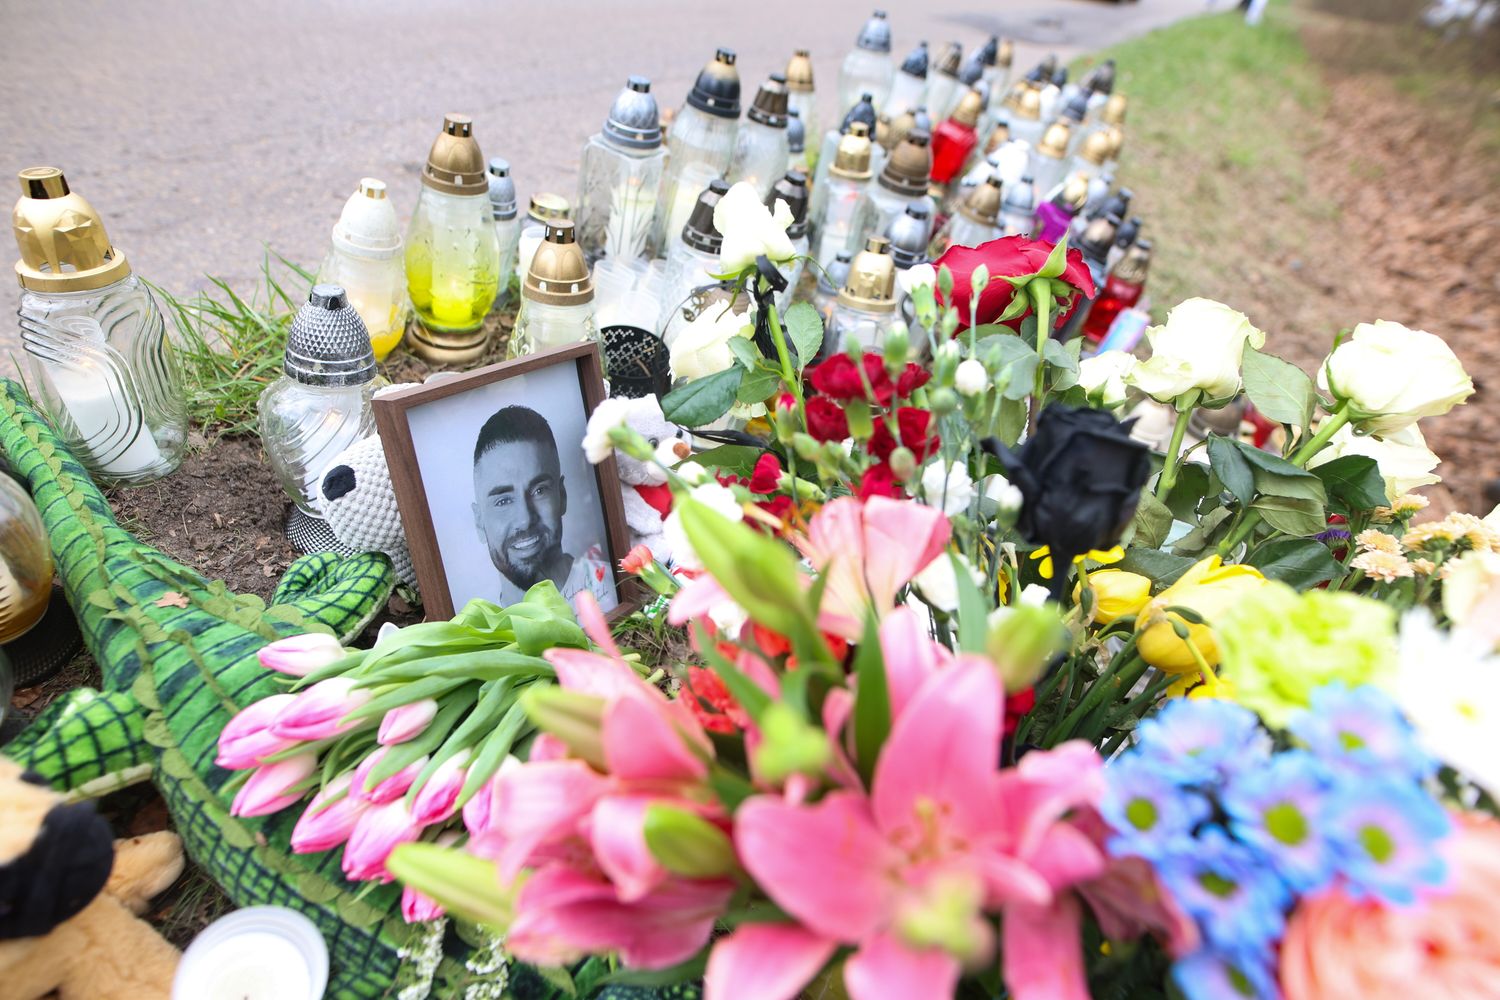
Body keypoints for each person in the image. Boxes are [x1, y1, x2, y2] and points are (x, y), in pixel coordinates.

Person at [471, 404, 615, 611]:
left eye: (539, 491)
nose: (525, 520)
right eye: (503, 501)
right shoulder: (475, 627)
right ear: (479, 522)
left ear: (562, 496)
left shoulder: (617, 586)